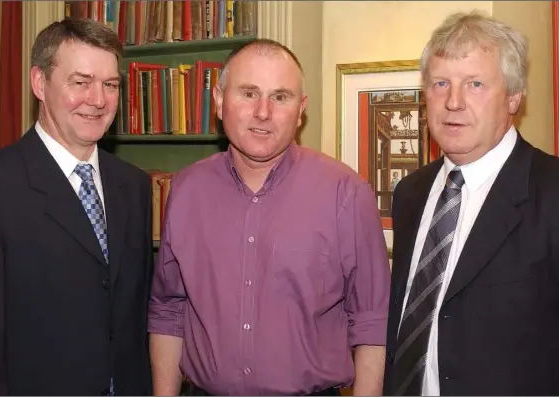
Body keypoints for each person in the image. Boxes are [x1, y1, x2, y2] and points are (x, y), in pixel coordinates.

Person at [148, 39, 391, 396]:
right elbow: (168, 309)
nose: (263, 112)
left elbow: (372, 323)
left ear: (301, 109)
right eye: (248, 93)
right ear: (218, 101)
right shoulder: (185, 190)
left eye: (280, 97)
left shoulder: (346, 193)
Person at [0, 18, 153, 395]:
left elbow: (133, 317)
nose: (97, 100)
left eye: (110, 85)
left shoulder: (134, 186)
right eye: (80, 82)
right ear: (39, 83)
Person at [383, 11, 559, 396]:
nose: (454, 102)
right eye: (440, 83)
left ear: (514, 97)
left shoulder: (552, 192)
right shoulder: (410, 194)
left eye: (475, 84)